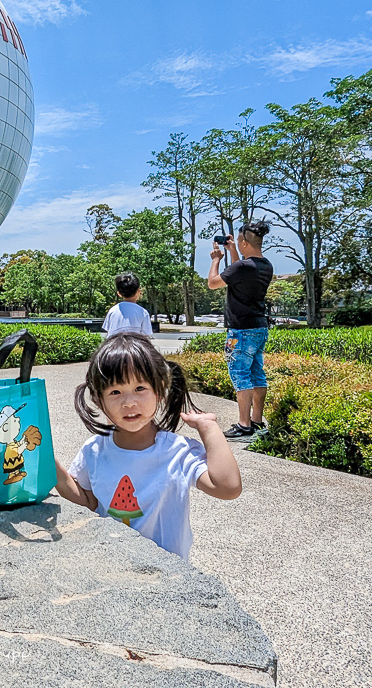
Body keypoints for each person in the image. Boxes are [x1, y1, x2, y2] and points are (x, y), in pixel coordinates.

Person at [55, 333, 241, 561]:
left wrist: (209, 428)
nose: (129, 402)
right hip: (111, 565)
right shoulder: (94, 450)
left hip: (167, 573)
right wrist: (48, 461)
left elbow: (227, 487)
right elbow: (88, 501)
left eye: (140, 388)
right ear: (97, 399)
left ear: (160, 389)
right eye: (115, 392)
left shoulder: (177, 452)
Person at [207, 220, 274, 441]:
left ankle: (243, 425)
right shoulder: (265, 265)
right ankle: (256, 422)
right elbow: (239, 274)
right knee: (257, 374)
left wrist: (217, 260)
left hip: (240, 331)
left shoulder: (243, 267)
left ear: (245, 241)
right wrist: (233, 251)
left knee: (240, 375)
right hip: (258, 328)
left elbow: (213, 283)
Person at [102, 271, 153, 337]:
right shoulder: (143, 312)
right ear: (138, 291)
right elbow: (145, 336)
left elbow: (109, 332)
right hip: (134, 346)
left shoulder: (112, 311)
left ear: (119, 293)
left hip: (115, 346)